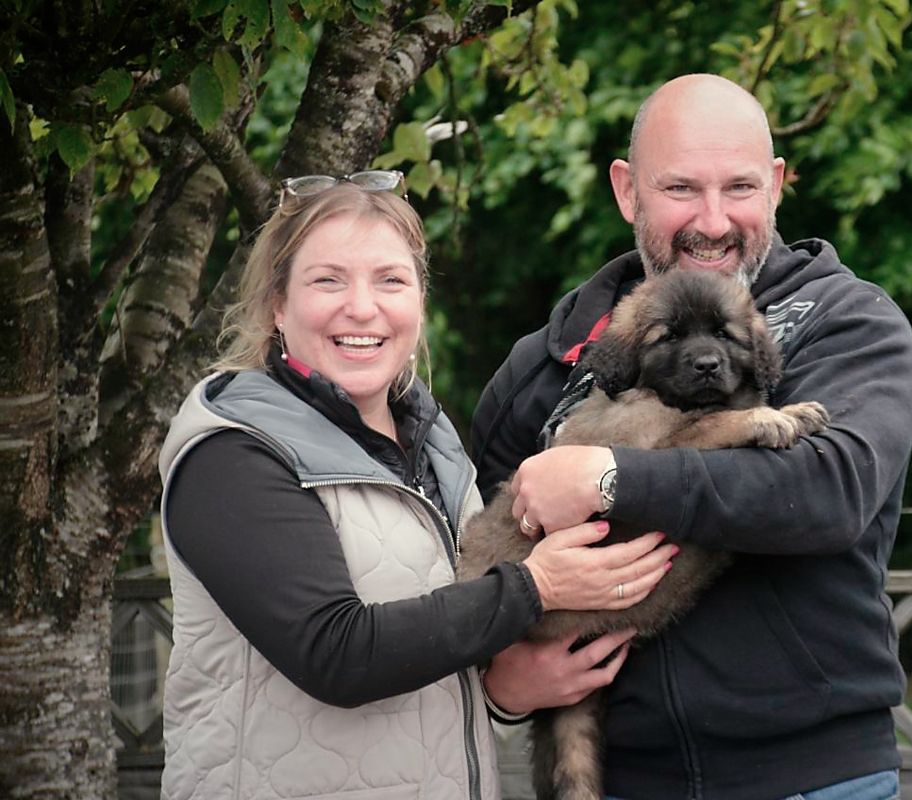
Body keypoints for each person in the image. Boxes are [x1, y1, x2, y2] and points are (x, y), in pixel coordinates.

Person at [471, 75, 912, 799]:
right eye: (681, 188)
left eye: (739, 187)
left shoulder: (847, 323)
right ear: (627, 191)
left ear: (776, 185)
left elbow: (826, 492)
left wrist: (609, 478)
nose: (712, 221)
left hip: (809, 777)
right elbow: (477, 538)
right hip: (619, 778)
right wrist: (504, 681)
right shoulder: (546, 361)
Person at [156, 172, 676, 800]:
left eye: (390, 280)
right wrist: (537, 587)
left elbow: (437, 642)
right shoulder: (233, 450)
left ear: (419, 301)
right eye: (328, 280)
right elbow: (336, 653)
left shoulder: (433, 442)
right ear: (276, 303)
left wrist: (503, 694)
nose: (362, 307)